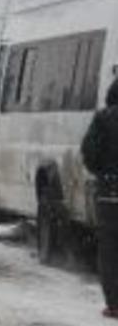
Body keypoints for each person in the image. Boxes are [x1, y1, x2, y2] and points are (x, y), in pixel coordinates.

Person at [82, 79, 118, 320]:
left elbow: (89, 152)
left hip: (111, 191)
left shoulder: (104, 118)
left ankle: (114, 304)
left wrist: (103, 174)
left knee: (110, 248)